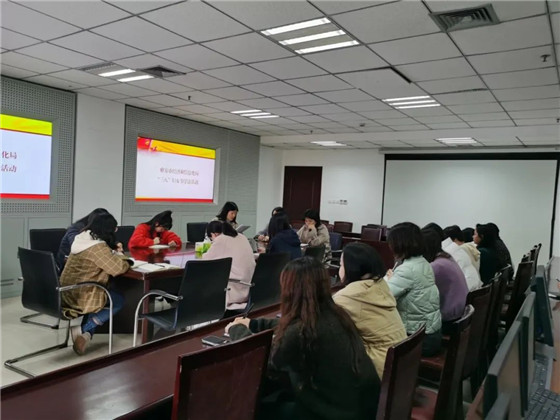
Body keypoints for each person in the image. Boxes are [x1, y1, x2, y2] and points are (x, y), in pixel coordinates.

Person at [226, 257, 380, 420]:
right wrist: (254, 324)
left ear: (290, 291)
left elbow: (261, 361)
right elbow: (293, 323)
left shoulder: (301, 333)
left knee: (253, 409)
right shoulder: (336, 315)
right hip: (358, 408)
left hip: (332, 413)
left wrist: (237, 330)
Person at [60, 212, 131, 355]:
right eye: (114, 228)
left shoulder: (82, 238)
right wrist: (123, 257)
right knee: (117, 301)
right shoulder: (96, 247)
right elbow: (117, 269)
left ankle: (85, 336)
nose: (115, 231)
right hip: (81, 294)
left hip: (67, 290)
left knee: (101, 294)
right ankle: (85, 329)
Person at [333, 242, 406, 378]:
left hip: (380, 367)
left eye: (341, 265)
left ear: (352, 268)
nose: (340, 269)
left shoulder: (348, 296)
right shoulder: (380, 284)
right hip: (399, 362)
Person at [386, 222, 442, 356]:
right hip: (431, 334)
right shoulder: (423, 262)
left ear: (400, 244)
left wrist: (388, 279)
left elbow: (383, 297)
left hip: (419, 340)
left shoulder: (407, 269)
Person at [203, 221, 255, 310]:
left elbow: (206, 260)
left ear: (214, 234)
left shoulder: (220, 239)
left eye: (211, 239)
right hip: (249, 286)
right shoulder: (242, 237)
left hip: (234, 288)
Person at [422, 229, 469, 327]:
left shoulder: (437, 266)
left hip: (450, 318)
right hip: (460, 313)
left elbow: (420, 291)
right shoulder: (447, 258)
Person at [438, 224, 482, 291]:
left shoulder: (459, 250)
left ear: (454, 240)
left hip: (469, 290)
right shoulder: (471, 246)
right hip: (477, 287)